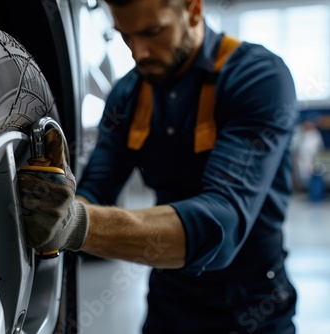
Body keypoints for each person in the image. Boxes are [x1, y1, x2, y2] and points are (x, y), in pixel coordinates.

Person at [18, 0, 298, 332]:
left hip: (253, 305)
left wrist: (76, 226)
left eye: (153, 32)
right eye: (126, 36)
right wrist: (51, 202)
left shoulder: (257, 77)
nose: (139, 53)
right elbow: (94, 190)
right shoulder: (128, 95)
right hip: (170, 300)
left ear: (193, 10)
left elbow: (221, 224)